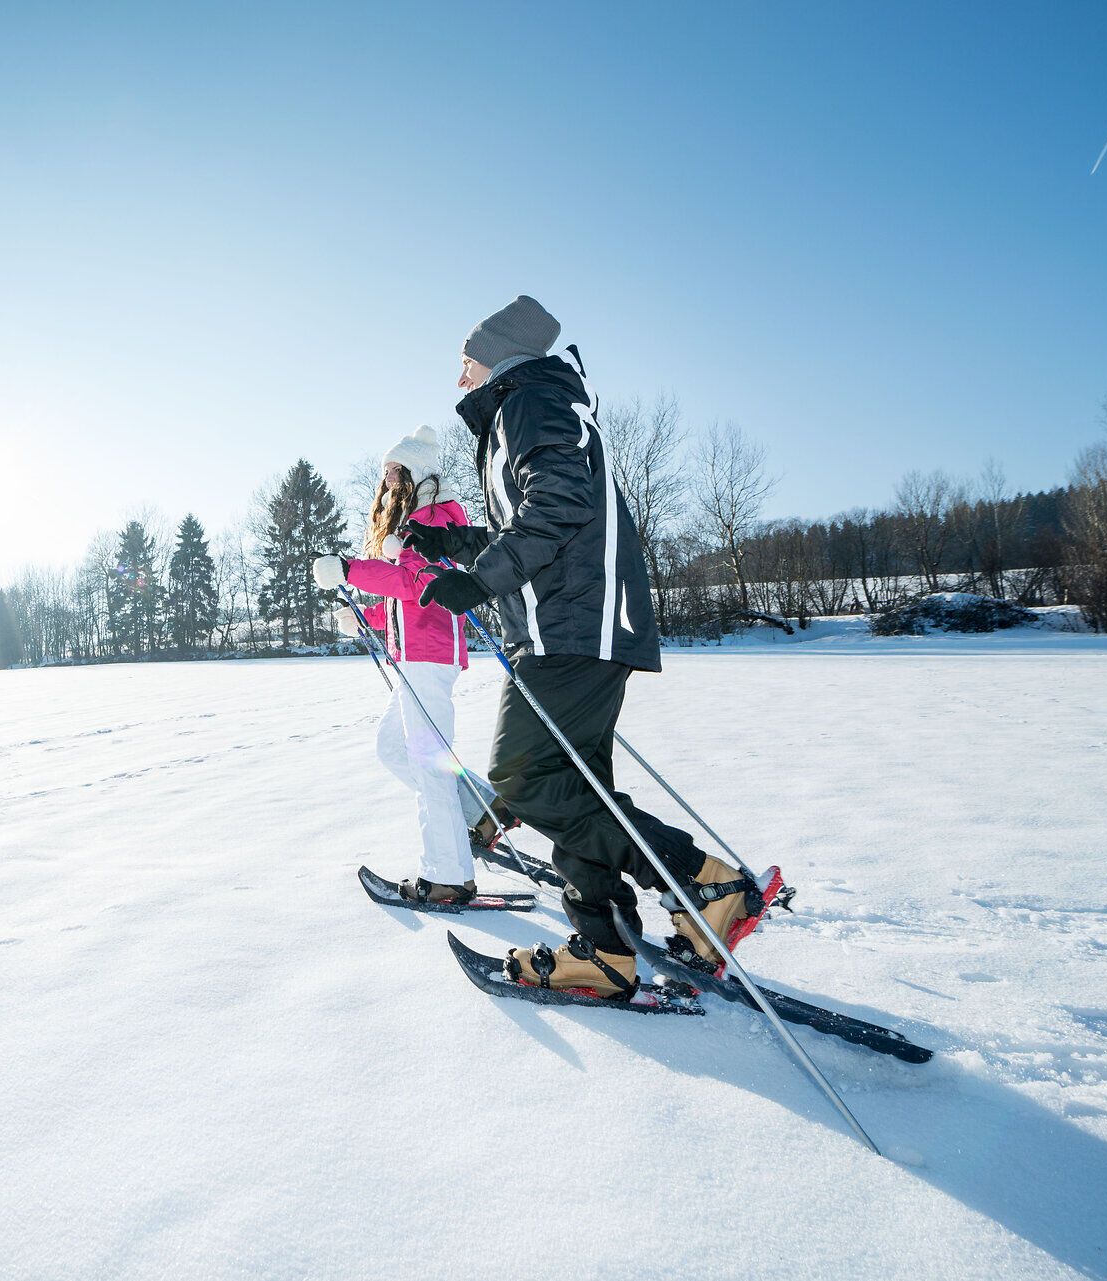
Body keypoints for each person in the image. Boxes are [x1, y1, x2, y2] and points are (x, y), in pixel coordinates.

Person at [403, 295, 769, 998]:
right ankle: (605, 947)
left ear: (497, 357)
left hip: (571, 629)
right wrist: (455, 546)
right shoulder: (537, 404)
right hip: (578, 623)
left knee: (523, 780)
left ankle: (703, 883)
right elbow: (537, 519)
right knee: (575, 789)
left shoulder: (528, 399)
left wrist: (481, 580)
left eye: (465, 364)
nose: (460, 382)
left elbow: (558, 507)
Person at [311, 427, 477, 905]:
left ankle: (446, 874)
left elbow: (412, 582)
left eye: (394, 470)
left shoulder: (438, 516)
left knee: (428, 765)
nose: (386, 480)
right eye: (383, 472)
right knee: (392, 748)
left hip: (430, 652)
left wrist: (348, 569)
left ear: (417, 471)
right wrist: (363, 617)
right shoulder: (407, 523)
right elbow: (399, 603)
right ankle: (476, 812)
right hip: (411, 655)